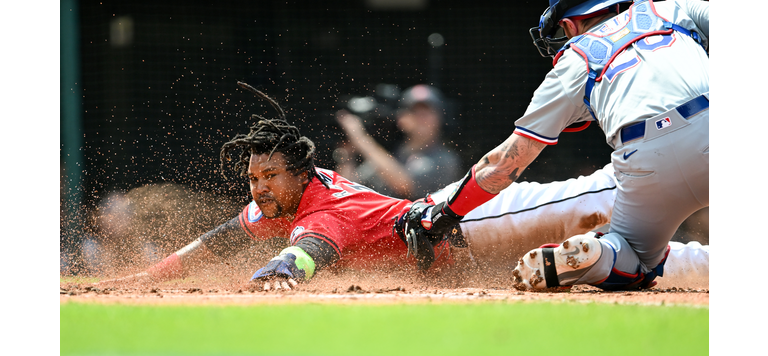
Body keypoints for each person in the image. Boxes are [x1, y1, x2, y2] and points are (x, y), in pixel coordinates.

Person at [98, 81, 708, 291]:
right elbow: (217, 240)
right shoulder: (273, 203)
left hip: (459, 222)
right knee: (636, 260)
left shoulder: (319, 212)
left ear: (299, 173)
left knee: (597, 197)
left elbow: (297, 262)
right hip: (453, 247)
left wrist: (258, 283)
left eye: (267, 175)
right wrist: (144, 281)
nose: (256, 188)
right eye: (252, 178)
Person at [400, 0, 709, 292]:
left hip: (647, 158)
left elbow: (508, 161)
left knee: (637, 263)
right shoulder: (673, 8)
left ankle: (602, 252)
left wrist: (447, 213)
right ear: (616, 4)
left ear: (569, 24)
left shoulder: (574, 60)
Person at [334, 84, 461, 200]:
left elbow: (405, 186)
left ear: (439, 119)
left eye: (428, 112)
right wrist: (347, 155)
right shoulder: (391, 156)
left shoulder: (445, 159)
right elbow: (348, 190)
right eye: (415, 111)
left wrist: (359, 137)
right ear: (402, 118)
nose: (422, 118)